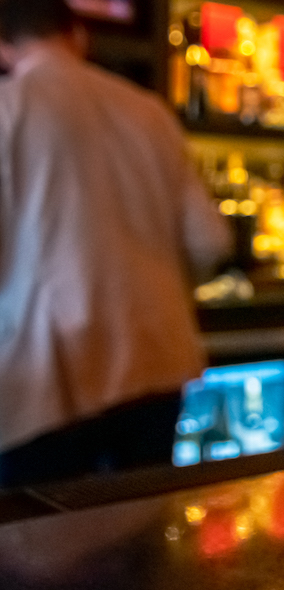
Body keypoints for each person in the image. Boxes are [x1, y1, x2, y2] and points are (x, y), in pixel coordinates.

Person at [0, 0, 232, 485]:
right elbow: (211, 241)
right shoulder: (149, 111)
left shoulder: (9, 109)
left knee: (44, 548)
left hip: (50, 377)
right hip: (157, 358)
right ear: (79, 36)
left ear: (4, 46)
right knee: (143, 539)